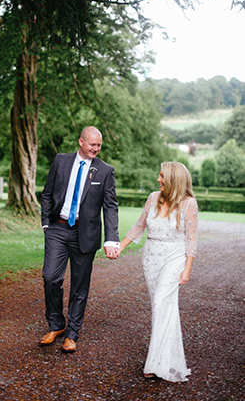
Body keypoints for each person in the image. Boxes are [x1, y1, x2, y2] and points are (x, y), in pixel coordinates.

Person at [40, 126, 120, 352]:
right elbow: (47, 193)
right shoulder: (61, 161)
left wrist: (111, 238)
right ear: (81, 142)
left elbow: (110, 207)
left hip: (85, 235)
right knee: (50, 278)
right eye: (92, 144)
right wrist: (46, 222)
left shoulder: (105, 171)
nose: (96, 149)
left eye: (99, 145)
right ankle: (56, 325)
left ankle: (72, 333)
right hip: (57, 228)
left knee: (80, 286)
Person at [119, 162, 198, 382]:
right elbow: (138, 226)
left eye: (162, 176)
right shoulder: (153, 198)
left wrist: (187, 270)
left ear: (174, 179)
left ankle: (155, 363)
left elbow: (191, 240)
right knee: (161, 307)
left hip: (174, 258)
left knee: (162, 302)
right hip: (151, 258)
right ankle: (164, 356)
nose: (158, 179)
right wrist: (120, 246)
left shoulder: (189, 204)